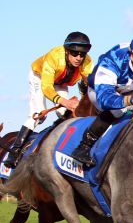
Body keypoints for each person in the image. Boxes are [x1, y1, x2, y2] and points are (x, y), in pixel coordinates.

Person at [70, 32, 133, 167]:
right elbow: (105, 99)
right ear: (132, 56)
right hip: (99, 90)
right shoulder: (113, 60)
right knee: (119, 110)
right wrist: (132, 100)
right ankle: (84, 146)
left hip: (129, 87)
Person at [4, 32, 93, 168]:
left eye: (82, 54)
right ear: (67, 51)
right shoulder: (54, 57)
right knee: (38, 114)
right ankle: (14, 152)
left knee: (67, 114)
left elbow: (87, 87)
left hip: (60, 82)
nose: (79, 58)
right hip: (40, 78)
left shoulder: (87, 62)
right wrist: (65, 102)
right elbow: (46, 87)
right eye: (75, 53)